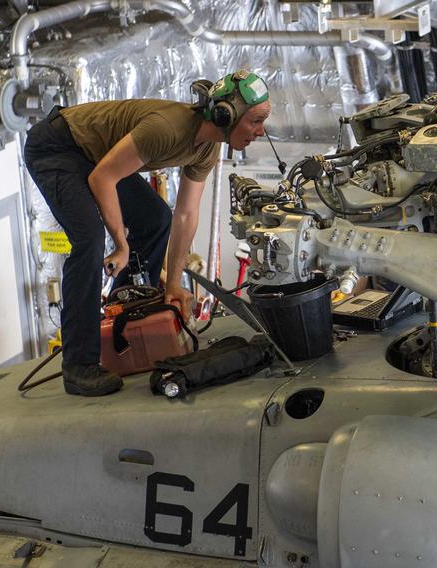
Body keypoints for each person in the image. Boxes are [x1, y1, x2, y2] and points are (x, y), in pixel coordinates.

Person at [24, 70, 271, 396]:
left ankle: (125, 320)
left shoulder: (207, 147)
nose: (261, 130)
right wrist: (121, 244)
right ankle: (78, 366)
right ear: (225, 115)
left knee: (156, 219)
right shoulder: (167, 129)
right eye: (255, 120)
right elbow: (102, 179)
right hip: (58, 147)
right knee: (90, 239)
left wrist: (172, 285)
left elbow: (185, 214)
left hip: (95, 155)